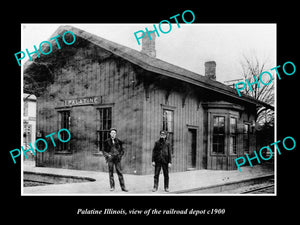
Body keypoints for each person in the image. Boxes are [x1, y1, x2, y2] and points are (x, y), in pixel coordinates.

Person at [102, 128, 128, 192]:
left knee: (120, 172)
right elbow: (103, 150)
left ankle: (123, 187)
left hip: (117, 159)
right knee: (111, 173)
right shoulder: (106, 141)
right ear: (110, 134)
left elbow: (122, 150)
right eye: (112, 133)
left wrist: (120, 156)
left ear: (116, 134)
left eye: (114, 133)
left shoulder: (119, 141)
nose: (113, 134)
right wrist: (108, 155)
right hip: (110, 159)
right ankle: (112, 187)